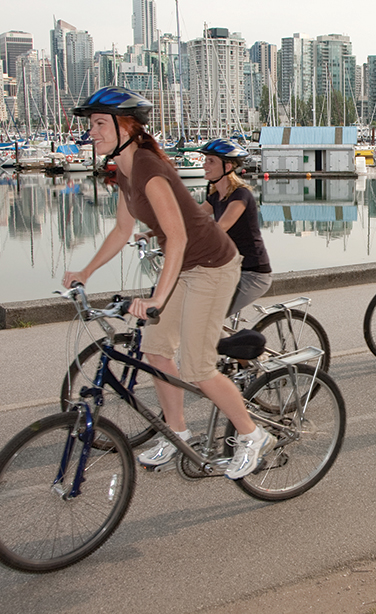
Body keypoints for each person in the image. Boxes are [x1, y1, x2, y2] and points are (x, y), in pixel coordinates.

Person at [61, 86, 275, 478]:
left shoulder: (146, 166)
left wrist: (157, 298)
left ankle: (253, 434)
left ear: (126, 127)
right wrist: (84, 273)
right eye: (90, 124)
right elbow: (121, 231)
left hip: (212, 265)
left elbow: (176, 237)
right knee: (157, 351)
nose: (91, 131)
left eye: (98, 123)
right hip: (186, 267)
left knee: (197, 366)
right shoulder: (123, 171)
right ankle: (177, 431)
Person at [198, 138, 273, 317]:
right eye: (205, 160)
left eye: (211, 161)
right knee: (198, 310)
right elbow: (190, 218)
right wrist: (154, 232)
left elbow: (220, 228)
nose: (204, 165)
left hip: (253, 273)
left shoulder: (240, 195)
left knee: (212, 317)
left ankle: (242, 345)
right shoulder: (215, 197)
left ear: (228, 167)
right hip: (229, 270)